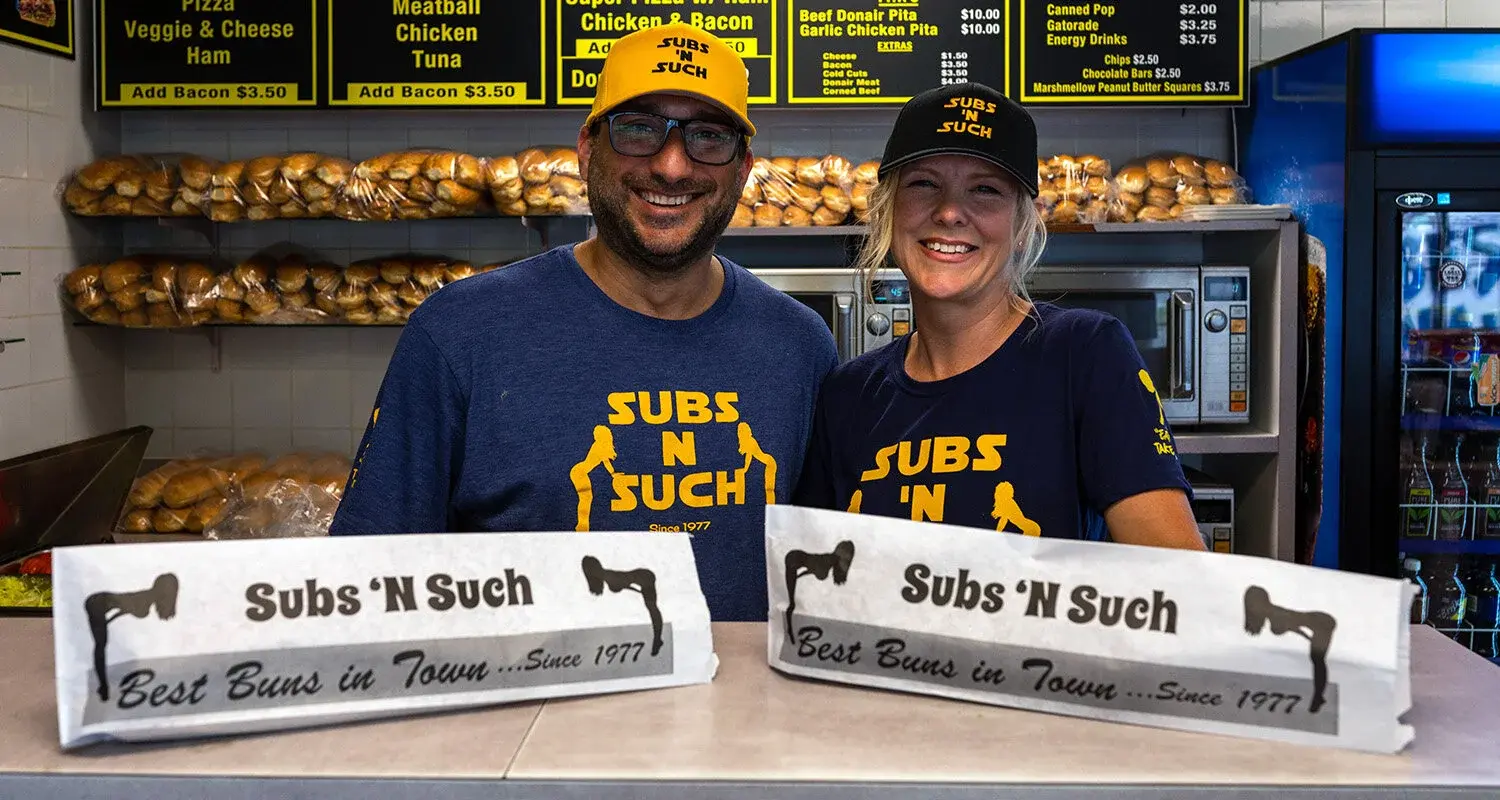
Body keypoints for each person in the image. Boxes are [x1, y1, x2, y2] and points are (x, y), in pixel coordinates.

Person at [330, 23, 838, 622]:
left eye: (708, 137)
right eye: (639, 129)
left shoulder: (799, 347)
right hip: (529, 713)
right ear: (588, 148)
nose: (672, 167)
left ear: (744, 166)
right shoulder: (462, 334)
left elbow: (820, 586)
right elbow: (367, 590)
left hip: (743, 715)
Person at [793, 82, 1205, 550]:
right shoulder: (848, 395)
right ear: (888, 208)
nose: (949, 212)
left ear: (1023, 225)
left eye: (985, 190)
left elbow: (1174, 577)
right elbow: (818, 585)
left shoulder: (1084, 353)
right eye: (924, 184)